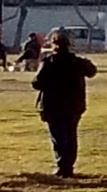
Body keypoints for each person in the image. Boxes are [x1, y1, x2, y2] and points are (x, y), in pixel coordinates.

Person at [32, 30, 97, 178]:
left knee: (58, 137)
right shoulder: (77, 62)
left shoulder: (49, 63)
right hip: (74, 105)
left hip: (53, 105)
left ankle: (62, 165)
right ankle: (69, 165)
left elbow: (37, 83)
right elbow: (92, 71)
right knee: (70, 134)